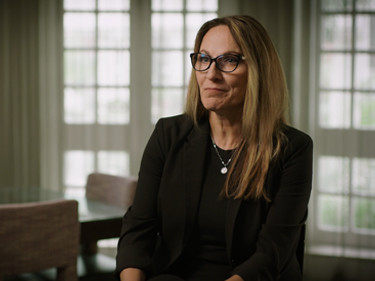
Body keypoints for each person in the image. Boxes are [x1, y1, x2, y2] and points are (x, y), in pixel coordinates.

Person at [116, 15, 313, 281]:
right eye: (203, 59)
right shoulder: (168, 135)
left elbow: (272, 254)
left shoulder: (292, 149)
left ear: (258, 70)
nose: (211, 74)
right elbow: (138, 229)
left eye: (229, 60)